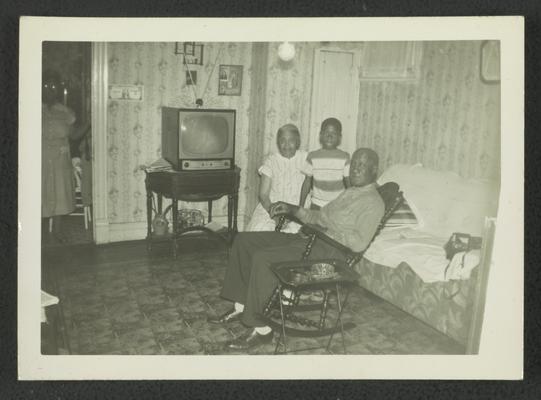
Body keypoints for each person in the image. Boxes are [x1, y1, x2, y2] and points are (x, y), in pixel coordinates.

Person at [209, 148, 385, 351]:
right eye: (354, 163)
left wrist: (326, 231)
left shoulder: (373, 203)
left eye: (361, 165)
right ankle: (241, 306)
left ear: (373, 170)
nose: (355, 169)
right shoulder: (350, 192)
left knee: (263, 258)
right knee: (244, 241)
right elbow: (319, 217)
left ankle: (262, 330)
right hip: (310, 240)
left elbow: (358, 243)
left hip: (328, 257)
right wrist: (292, 208)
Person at [246, 124, 307, 233]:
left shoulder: (306, 158)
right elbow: (263, 195)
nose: (286, 145)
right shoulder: (271, 161)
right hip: (272, 207)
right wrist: (274, 216)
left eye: (291, 140)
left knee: (295, 234)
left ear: (297, 142)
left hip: (298, 207)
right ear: (278, 143)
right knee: (261, 229)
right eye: (282, 140)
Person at [41, 69, 79, 242]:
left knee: (60, 194)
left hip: (60, 158)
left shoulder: (66, 112)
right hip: (39, 158)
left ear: (58, 89)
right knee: (39, 192)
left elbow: (74, 136)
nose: (50, 89)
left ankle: (57, 231)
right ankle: (37, 233)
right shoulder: (30, 107)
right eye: (46, 85)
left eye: (53, 86)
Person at [299, 117, 350, 210]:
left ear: (339, 137)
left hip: (337, 204)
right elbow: (307, 183)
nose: (329, 136)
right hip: (316, 204)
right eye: (326, 133)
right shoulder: (312, 156)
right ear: (321, 135)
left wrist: (351, 205)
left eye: (333, 133)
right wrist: (300, 206)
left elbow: (349, 184)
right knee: (311, 224)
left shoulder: (345, 157)